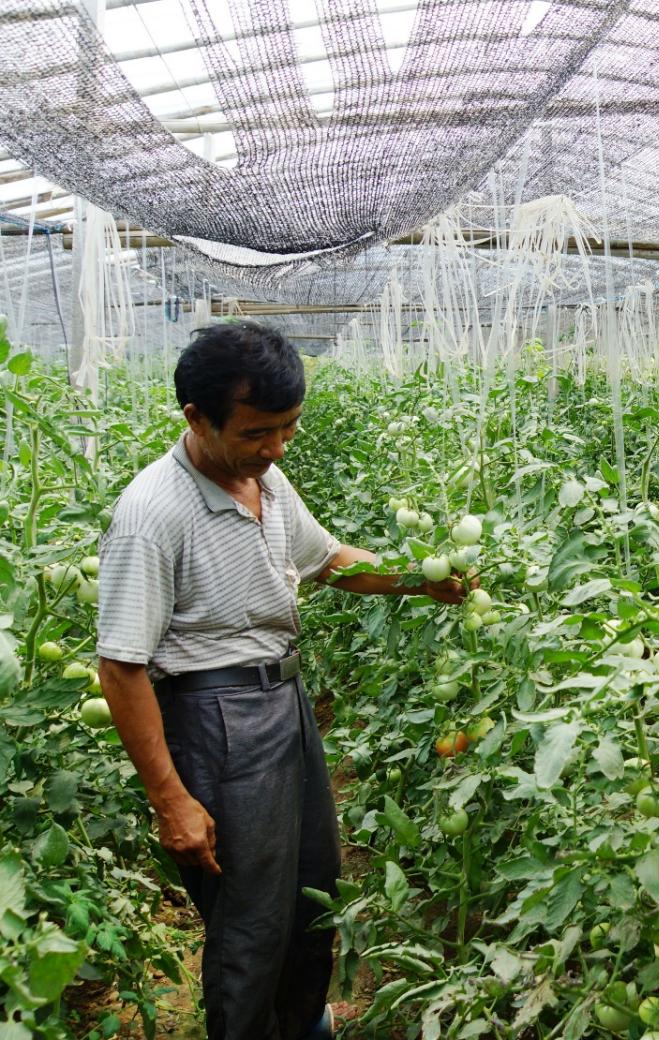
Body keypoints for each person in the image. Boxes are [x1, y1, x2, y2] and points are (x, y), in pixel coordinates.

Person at [95, 323, 469, 1040]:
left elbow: (327, 559)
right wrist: (171, 799)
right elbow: (121, 666)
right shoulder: (152, 515)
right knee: (249, 919)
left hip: (281, 701)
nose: (275, 448)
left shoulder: (264, 477)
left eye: (289, 429)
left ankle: (303, 1023)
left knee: (310, 887)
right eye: (258, 433)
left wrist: (420, 583)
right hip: (217, 718)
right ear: (195, 419)